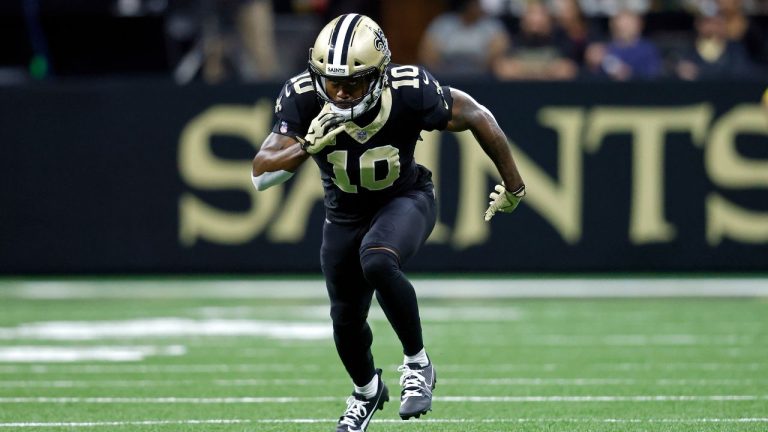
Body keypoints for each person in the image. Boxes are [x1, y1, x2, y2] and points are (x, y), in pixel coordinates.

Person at [251, 13, 526, 432]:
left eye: (353, 82)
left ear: (379, 75)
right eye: (332, 81)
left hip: (406, 197)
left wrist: (514, 186)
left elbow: (475, 113)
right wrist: (307, 145)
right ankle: (365, 392)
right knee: (345, 319)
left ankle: (418, 363)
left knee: (377, 260)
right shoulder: (304, 96)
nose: (340, 93)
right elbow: (261, 175)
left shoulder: (410, 89)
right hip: (343, 216)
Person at [418, 0, 510, 79]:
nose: (479, 7)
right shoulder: (444, 23)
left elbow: (498, 53)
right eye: (474, 3)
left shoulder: (491, 26)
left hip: (482, 78)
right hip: (445, 78)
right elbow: (428, 54)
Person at [584, 9, 662, 80]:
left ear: (639, 25)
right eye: (622, 25)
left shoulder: (648, 49)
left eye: (629, 24)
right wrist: (592, 64)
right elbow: (593, 76)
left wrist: (630, 74)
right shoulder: (604, 50)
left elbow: (653, 74)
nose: (625, 28)